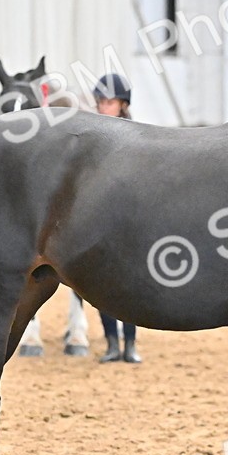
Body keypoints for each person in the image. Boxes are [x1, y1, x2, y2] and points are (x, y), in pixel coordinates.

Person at [93, 73, 142, 364]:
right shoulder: (93, 133)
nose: (102, 107)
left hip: (131, 216)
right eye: (100, 102)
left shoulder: (135, 134)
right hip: (101, 216)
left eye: (108, 102)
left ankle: (131, 344)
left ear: (122, 104)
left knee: (130, 285)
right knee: (102, 284)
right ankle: (112, 342)